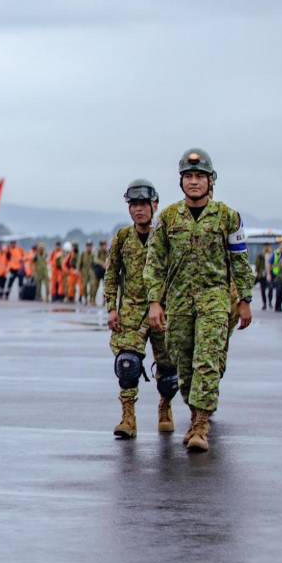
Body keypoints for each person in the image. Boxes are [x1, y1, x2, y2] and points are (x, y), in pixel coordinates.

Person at [145, 149, 254, 453]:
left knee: (206, 361)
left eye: (199, 177)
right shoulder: (167, 218)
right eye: (188, 177)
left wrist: (244, 299)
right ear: (181, 182)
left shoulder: (228, 217)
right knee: (185, 365)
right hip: (178, 302)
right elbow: (154, 263)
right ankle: (195, 415)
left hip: (214, 299)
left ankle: (200, 425)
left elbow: (240, 261)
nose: (194, 182)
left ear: (210, 181)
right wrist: (155, 301)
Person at [105, 180, 176, 438]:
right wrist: (111, 308)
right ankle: (128, 417)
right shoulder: (123, 238)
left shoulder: (166, 235)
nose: (138, 210)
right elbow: (111, 274)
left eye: (143, 204)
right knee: (127, 364)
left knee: (169, 372)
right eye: (133, 205)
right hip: (131, 311)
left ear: (154, 205)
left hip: (162, 310)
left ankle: (165, 407)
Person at [255, 245, 274, 310]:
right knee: (263, 290)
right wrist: (258, 273)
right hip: (262, 275)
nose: (269, 249)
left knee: (270, 288)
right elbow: (257, 265)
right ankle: (265, 304)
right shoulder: (260, 256)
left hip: (270, 274)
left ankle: (270, 302)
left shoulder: (272, 256)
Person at [93, 241, 108, 306]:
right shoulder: (98, 252)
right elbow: (95, 259)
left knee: (105, 287)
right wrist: (102, 264)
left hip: (105, 272)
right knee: (95, 286)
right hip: (98, 271)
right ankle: (93, 300)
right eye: (102, 245)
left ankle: (104, 301)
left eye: (104, 244)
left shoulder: (107, 252)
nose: (104, 246)